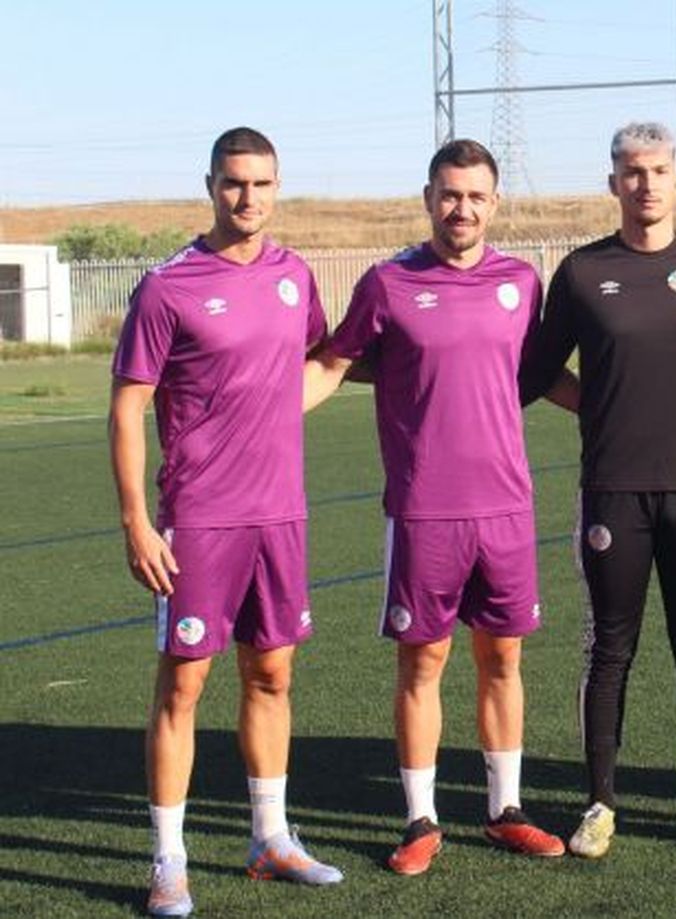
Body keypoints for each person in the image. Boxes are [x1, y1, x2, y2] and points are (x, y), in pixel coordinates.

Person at [304, 139, 576, 874]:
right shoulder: (388, 283)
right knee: (423, 661)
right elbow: (331, 363)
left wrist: (618, 413)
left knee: (504, 657)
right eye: (449, 194)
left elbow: (538, 375)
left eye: (476, 195)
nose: (462, 208)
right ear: (428, 198)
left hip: (507, 508)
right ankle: (420, 817)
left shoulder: (523, 281)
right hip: (423, 508)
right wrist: (260, 413)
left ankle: (504, 809)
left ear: (495, 202)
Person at [518, 121, 676, 858]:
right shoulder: (581, 272)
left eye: (658, 170)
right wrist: (597, 403)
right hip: (614, 489)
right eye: (632, 172)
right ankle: (600, 803)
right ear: (613, 183)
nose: (646, 184)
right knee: (611, 649)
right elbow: (538, 372)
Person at [111, 127, 342, 917]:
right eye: (235, 184)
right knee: (184, 683)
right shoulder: (167, 286)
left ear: (279, 188)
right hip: (199, 519)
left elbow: (317, 360)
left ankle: (270, 836)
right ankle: (168, 858)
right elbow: (129, 405)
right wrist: (138, 520)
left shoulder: (293, 274)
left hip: (281, 514)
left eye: (263, 184)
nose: (249, 198)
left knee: (272, 675)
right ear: (210, 185)